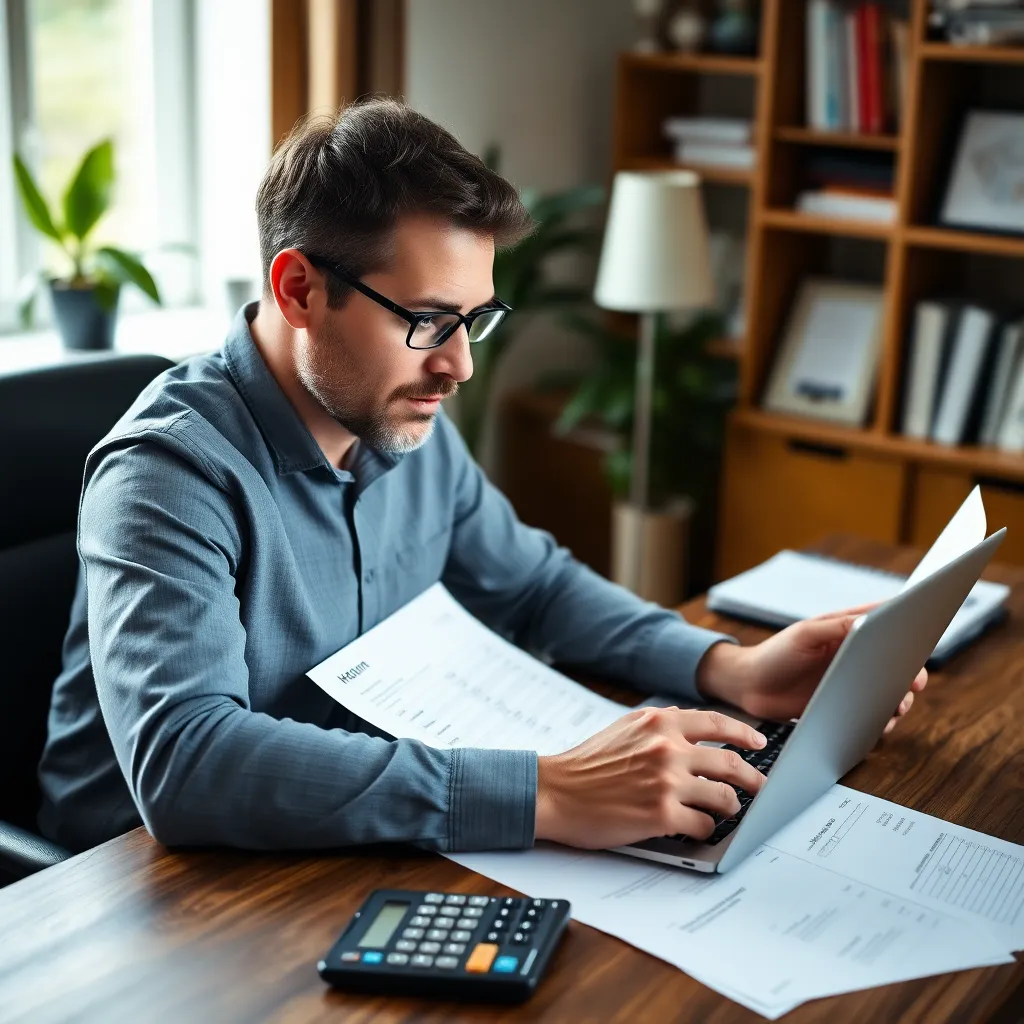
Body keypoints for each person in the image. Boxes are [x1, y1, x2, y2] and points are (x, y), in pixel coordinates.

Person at [37, 98, 926, 855]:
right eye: (428, 321)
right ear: (299, 288)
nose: (458, 365)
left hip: (343, 831)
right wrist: (549, 792)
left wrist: (731, 668)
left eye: (473, 320)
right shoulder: (166, 473)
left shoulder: (394, 410)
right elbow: (188, 762)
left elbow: (533, 586)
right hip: (144, 892)